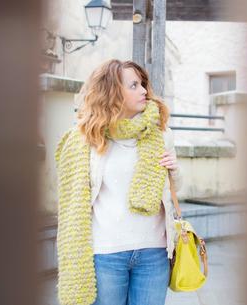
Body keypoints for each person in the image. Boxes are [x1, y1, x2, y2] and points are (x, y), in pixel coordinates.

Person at [55, 59, 183, 305]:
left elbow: (175, 190)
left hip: (154, 252)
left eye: (143, 84)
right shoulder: (87, 140)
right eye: (134, 85)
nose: (144, 90)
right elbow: (73, 202)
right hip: (106, 254)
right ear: (112, 92)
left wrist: (174, 170)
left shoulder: (161, 135)